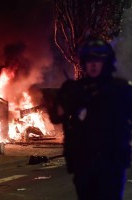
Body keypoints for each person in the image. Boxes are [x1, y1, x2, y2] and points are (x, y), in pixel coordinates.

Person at [48, 39, 132, 200]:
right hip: (83, 163)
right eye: (90, 61)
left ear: (107, 62)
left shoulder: (120, 89)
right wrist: (65, 99)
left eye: (98, 60)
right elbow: (56, 116)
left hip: (111, 163)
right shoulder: (75, 89)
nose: (93, 65)